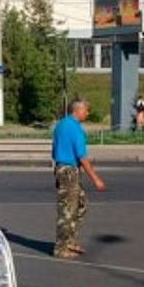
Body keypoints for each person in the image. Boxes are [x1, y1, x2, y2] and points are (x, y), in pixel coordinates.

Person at [51, 97, 106, 259]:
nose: (87, 113)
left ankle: (70, 240)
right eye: (85, 110)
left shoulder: (61, 125)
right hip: (69, 170)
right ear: (77, 111)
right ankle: (61, 247)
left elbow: (54, 149)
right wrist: (96, 179)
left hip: (62, 167)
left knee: (81, 205)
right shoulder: (75, 128)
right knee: (68, 211)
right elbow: (82, 157)